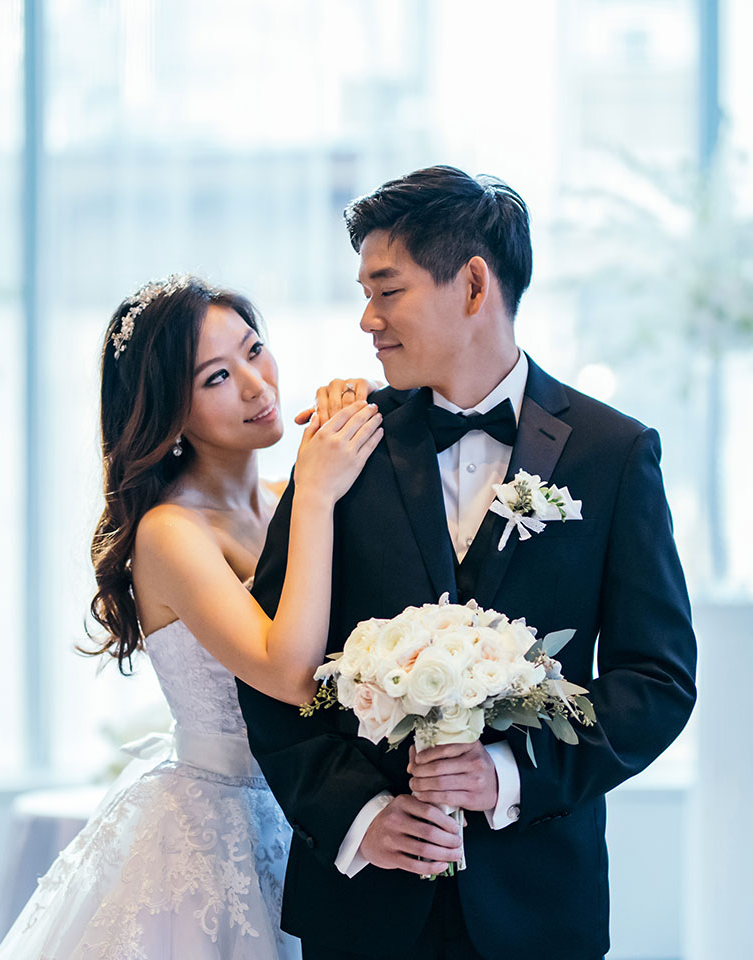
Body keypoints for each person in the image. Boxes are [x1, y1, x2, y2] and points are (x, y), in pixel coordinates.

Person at [237, 166, 699, 960]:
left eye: (387, 290)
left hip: (540, 908)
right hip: (365, 911)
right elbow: (276, 675)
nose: (366, 320)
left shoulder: (612, 453)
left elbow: (655, 682)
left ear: (475, 284)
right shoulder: (341, 445)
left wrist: (509, 774)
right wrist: (358, 818)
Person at [0, 274, 388, 960]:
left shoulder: (281, 499)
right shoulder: (171, 532)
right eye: (215, 378)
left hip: (306, 815)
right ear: (168, 411)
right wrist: (319, 492)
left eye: (254, 349)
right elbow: (288, 673)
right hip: (205, 838)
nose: (257, 384)